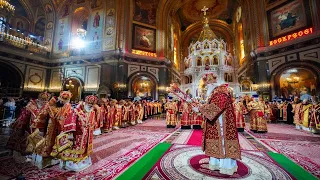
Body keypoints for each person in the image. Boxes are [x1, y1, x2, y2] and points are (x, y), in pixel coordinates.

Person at [192, 84, 241, 175]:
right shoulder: (217, 95)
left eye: (207, 88)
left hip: (221, 124)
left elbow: (215, 108)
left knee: (222, 142)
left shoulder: (221, 95)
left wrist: (199, 109)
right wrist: (200, 108)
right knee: (218, 142)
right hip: (216, 123)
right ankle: (216, 164)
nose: (206, 89)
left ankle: (225, 166)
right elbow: (210, 107)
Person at [56, 95, 98, 171]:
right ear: (85, 103)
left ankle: (82, 161)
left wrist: (93, 131)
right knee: (75, 148)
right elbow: (70, 122)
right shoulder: (76, 111)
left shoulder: (92, 111)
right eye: (89, 104)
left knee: (84, 148)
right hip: (76, 135)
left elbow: (93, 122)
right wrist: (70, 133)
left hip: (86, 136)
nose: (90, 106)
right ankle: (72, 164)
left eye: (92, 105)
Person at [7, 92, 51, 163]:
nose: (45, 103)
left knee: (37, 144)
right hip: (26, 127)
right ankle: (17, 156)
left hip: (39, 129)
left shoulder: (46, 105)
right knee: (21, 141)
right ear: (39, 99)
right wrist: (21, 127)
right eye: (43, 101)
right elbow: (23, 117)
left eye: (46, 101)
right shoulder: (31, 105)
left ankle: (33, 156)